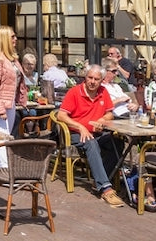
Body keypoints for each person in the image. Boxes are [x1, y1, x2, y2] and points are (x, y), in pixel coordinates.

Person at [56, 63, 126, 207]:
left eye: (96, 79)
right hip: (75, 134)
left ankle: (100, 179)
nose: (92, 82)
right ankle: (105, 188)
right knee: (91, 142)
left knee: (118, 142)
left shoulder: (103, 92)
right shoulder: (75, 92)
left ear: (101, 80)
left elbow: (109, 113)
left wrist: (103, 119)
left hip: (97, 132)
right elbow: (61, 115)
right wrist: (80, 127)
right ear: (85, 77)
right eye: (90, 78)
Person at [0, 26, 27, 167]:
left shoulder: (12, 58)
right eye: (12, 37)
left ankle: (2, 168)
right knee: (2, 137)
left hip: (9, 102)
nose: (15, 39)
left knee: (6, 136)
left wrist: (22, 98)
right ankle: (5, 171)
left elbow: (18, 81)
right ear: (5, 39)